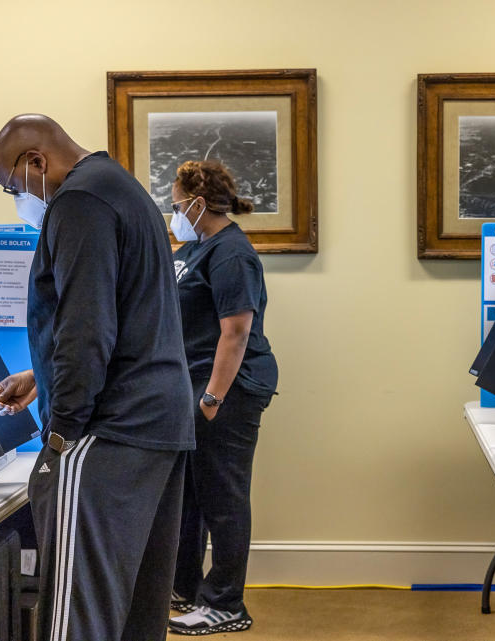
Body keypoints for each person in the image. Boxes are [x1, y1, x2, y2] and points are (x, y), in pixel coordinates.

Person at [0, 114, 194, 641]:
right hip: (157, 421)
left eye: (12, 187)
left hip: (109, 428)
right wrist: (42, 372)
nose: (19, 198)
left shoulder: (77, 203)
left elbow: (87, 328)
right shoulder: (121, 187)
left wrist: (61, 433)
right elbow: (126, 313)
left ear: (36, 161)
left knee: (78, 615)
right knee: (136, 612)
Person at [165, 160, 278, 635]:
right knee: (192, 497)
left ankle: (226, 604)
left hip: (228, 389)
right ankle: (186, 589)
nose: (172, 213)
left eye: (175, 205)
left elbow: (235, 331)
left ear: (196, 202)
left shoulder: (231, 254)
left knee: (223, 499)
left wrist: (211, 400)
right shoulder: (199, 247)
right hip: (199, 385)